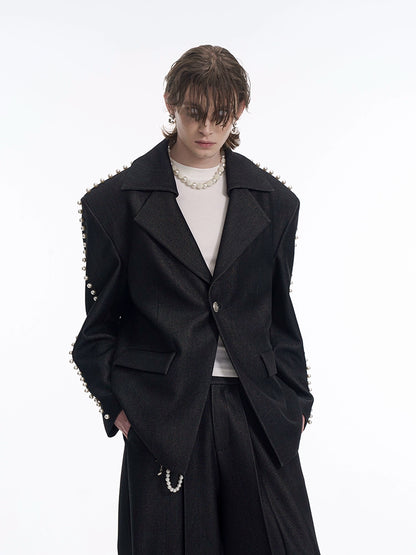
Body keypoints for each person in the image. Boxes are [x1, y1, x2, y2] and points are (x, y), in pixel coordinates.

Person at [70, 44, 321, 554]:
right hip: (165, 416)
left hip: (258, 411)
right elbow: (98, 329)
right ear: (171, 102)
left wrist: (295, 404)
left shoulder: (276, 203)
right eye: (193, 113)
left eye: (221, 116)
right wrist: (119, 406)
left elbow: (279, 314)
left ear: (240, 110)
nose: (207, 128)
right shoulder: (113, 204)